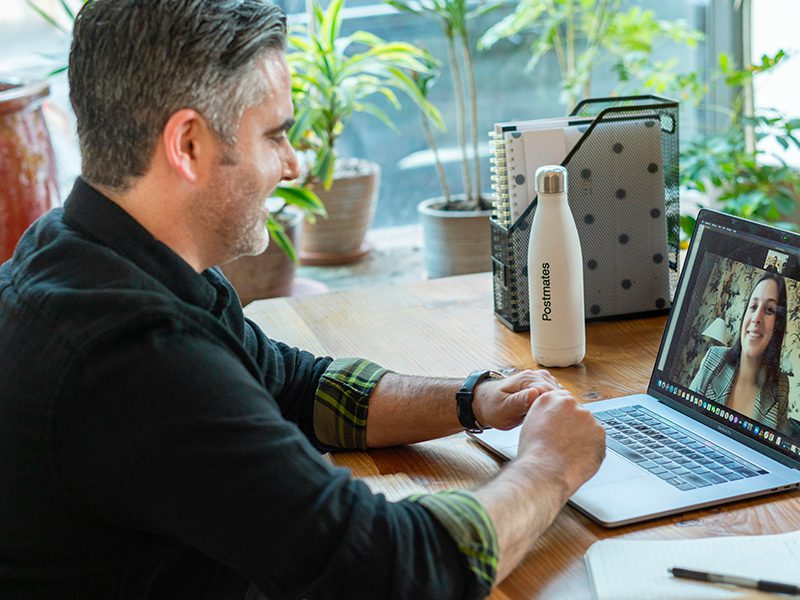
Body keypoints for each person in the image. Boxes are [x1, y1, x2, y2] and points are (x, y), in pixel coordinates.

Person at [0, 1, 605, 599]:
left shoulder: (84, 250)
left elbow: (295, 386)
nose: (293, 165)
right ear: (187, 144)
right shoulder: (137, 357)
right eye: (275, 135)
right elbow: (390, 572)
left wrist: (474, 399)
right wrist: (551, 467)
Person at [690, 272, 798, 436]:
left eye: (769, 310)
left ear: (778, 325)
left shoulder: (781, 385)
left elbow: (778, 447)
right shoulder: (714, 358)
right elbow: (684, 415)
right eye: (753, 307)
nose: (756, 317)